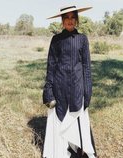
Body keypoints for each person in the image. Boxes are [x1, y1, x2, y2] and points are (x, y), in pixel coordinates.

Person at [42, 5, 97, 158]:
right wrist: (49, 91)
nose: (70, 21)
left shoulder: (82, 39)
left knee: (78, 124)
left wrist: (87, 91)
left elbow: (86, 67)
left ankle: (79, 151)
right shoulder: (56, 40)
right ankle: (59, 153)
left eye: (73, 17)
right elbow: (51, 66)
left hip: (78, 89)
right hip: (59, 89)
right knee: (59, 123)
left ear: (77, 20)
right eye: (67, 17)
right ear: (62, 20)